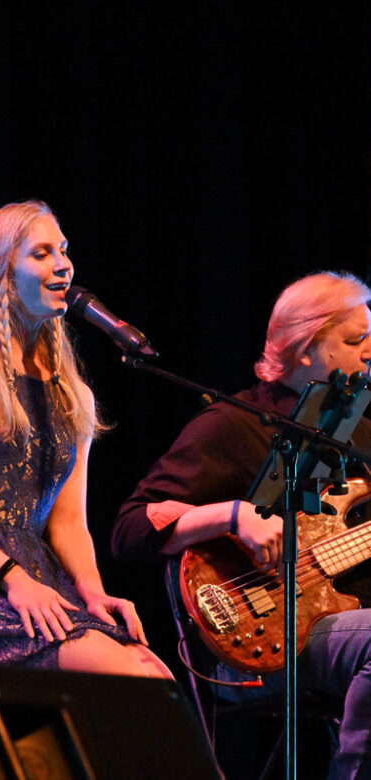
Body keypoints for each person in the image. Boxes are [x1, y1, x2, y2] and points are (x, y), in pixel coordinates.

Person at [0, 200, 170, 679]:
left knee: (154, 677)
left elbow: (68, 524)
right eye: (41, 253)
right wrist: (12, 579)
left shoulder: (72, 390)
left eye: (63, 250)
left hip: (35, 580)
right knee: (132, 680)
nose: (63, 264)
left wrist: (93, 590)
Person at [113, 270, 371, 779]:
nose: (370, 351)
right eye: (356, 339)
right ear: (305, 348)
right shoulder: (233, 424)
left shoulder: (360, 431)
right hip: (257, 637)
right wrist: (232, 515)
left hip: (346, 618)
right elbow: (130, 528)